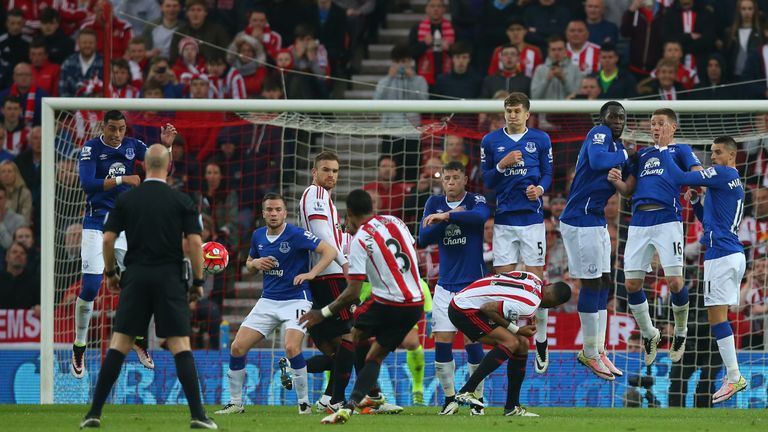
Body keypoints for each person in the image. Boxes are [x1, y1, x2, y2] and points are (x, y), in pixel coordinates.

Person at [78, 144, 216, 429]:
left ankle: (93, 414)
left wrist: (112, 273)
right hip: (169, 277)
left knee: (119, 345)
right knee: (180, 345)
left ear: (143, 166)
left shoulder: (127, 201)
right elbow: (193, 243)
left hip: (136, 277)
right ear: (167, 166)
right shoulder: (182, 200)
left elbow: (106, 240)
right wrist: (199, 282)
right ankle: (198, 417)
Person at [301, 189, 424, 425]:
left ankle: (335, 400)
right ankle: (363, 400)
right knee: (374, 355)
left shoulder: (360, 239)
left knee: (352, 335)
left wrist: (322, 312)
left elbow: (352, 292)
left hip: (388, 302)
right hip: (415, 303)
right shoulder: (395, 221)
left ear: (349, 213)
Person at [73, 111, 177, 378]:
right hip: (97, 224)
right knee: (92, 287)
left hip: (128, 225)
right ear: (103, 127)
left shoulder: (134, 146)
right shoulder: (91, 149)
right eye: (112, 128)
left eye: (121, 129)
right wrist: (123, 179)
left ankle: (140, 339)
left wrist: (166, 147)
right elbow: (87, 184)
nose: (117, 134)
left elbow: (162, 169)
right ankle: (80, 344)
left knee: (139, 283)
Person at [215, 192, 338, 415]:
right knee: (237, 347)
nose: (273, 214)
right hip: (268, 300)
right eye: (269, 210)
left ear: (285, 213)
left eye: (278, 210)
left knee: (291, 347)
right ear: (263, 213)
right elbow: (249, 263)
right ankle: (235, 403)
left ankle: (304, 404)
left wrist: (311, 273)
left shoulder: (296, 234)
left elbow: (329, 251)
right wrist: (256, 263)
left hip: (297, 299)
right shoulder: (258, 236)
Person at [608, 108, 702, 368]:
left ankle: (680, 332)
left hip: (667, 220)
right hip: (639, 221)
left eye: (660, 123)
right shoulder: (642, 155)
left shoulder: (680, 150)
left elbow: (697, 171)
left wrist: (694, 184)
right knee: (631, 285)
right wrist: (616, 181)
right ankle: (650, 334)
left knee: (674, 282)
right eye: (652, 124)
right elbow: (628, 191)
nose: (655, 128)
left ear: (673, 127)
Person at [660, 135, 748, 404]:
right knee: (718, 317)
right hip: (729, 252)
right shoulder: (729, 183)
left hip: (721, 256)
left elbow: (679, 176)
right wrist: (697, 204)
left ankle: (734, 377)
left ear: (732, 156)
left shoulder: (722, 173)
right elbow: (711, 222)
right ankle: (732, 376)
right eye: (712, 152)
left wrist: (663, 150)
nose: (714, 157)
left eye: (719, 152)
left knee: (717, 319)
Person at [560, 101, 636, 381]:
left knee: (605, 282)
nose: (617, 120)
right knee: (591, 283)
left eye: (621, 117)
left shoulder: (617, 148)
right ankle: (589, 352)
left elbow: (629, 184)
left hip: (596, 219)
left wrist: (633, 165)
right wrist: (628, 158)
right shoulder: (598, 134)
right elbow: (597, 160)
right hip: (579, 218)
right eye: (613, 116)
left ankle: (599, 349)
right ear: (603, 118)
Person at [480, 92, 553, 375]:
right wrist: (502, 164)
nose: (512, 115)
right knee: (502, 282)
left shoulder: (540, 140)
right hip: (504, 220)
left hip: (532, 220)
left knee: (536, 284)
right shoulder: (491, 141)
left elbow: (547, 173)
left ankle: (542, 340)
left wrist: (541, 190)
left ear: (527, 114)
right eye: (508, 110)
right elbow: (487, 180)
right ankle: (510, 337)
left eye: (517, 111)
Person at [418, 160, 490, 415]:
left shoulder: (476, 200)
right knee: (443, 342)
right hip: (445, 286)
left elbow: (480, 217)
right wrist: (441, 219)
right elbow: (422, 238)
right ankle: (449, 399)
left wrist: (448, 216)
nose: (450, 182)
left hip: (472, 286)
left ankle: (477, 399)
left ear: (464, 180)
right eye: (446, 178)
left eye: (455, 178)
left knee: (473, 341)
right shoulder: (432, 203)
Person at [451, 272, 572, 416]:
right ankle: (466, 390)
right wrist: (518, 329)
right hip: (464, 309)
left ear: (550, 285)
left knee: (522, 344)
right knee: (511, 341)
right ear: (555, 306)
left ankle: (512, 407)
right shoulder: (529, 306)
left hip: (466, 298)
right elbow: (487, 308)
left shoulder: (534, 278)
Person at [297, 151, 355, 411]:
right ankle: (339, 399)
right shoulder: (316, 194)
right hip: (330, 274)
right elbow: (322, 235)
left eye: (335, 170)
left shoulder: (324, 199)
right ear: (314, 172)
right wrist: (344, 263)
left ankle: (329, 397)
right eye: (326, 170)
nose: (331, 175)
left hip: (323, 275)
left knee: (336, 350)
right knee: (354, 336)